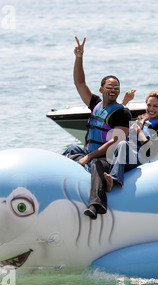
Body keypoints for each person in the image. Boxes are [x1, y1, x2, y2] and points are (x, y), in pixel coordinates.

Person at [62, 36, 132, 219]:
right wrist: (79, 57)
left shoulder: (122, 113)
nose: (113, 90)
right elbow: (79, 83)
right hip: (88, 150)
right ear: (101, 89)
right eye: (109, 86)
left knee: (96, 166)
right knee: (69, 150)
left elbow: (116, 143)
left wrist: (90, 157)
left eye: (117, 87)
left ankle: (96, 205)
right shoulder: (95, 104)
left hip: (106, 157)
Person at [104, 90, 158, 192]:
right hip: (124, 156)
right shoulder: (142, 120)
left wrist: (139, 131)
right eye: (149, 105)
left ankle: (114, 179)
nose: (151, 109)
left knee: (123, 144)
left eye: (155, 106)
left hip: (138, 161)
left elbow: (151, 150)